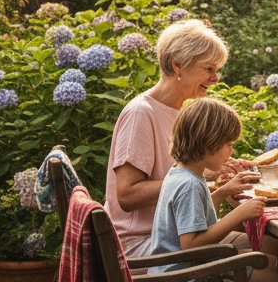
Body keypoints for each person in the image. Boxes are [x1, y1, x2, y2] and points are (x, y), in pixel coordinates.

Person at [106, 20, 255, 256]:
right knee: (259, 253)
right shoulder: (141, 113)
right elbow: (126, 195)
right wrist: (202, 174)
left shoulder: (180, 111)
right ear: (178, 66)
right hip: (142, 243)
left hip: (173, 233)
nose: (216, 78)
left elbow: (182, 177)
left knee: (270, 245)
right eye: (209, 69)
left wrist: (215, 170)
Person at [147, 98, 278, 282]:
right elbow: (191, 245)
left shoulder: (182, 172)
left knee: (270, 273)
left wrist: (222, 192)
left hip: (181, 274)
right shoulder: (189, 185)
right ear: (209, 143)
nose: (231, 151)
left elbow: (193, 219)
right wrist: (239, 214)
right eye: (229, 144)